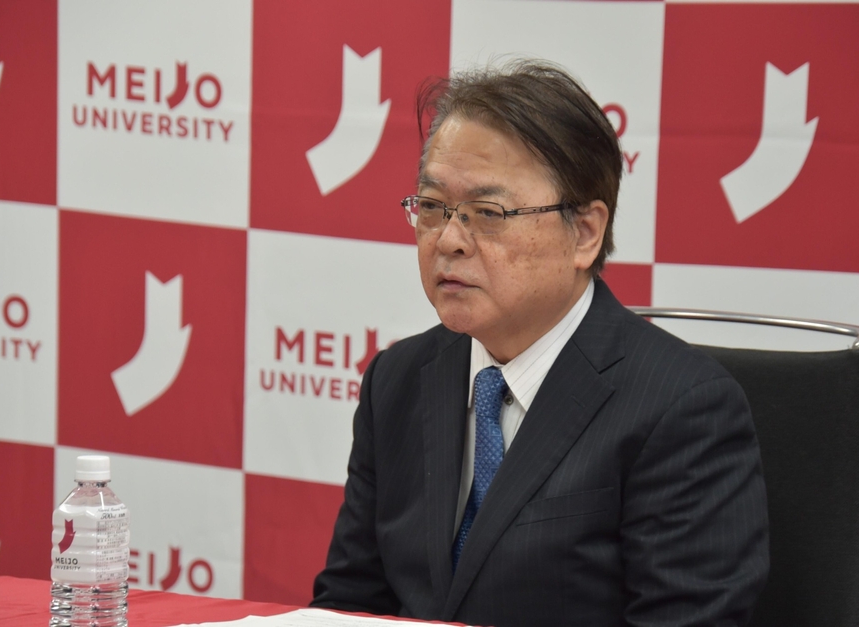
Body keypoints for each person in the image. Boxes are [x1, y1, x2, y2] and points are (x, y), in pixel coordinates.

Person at [310, 60, 769, 626]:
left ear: (585, 233)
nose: (449, 240)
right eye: (432, 207)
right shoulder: (398, 378)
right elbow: (350, 604)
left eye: (488, 213)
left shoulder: (681, 409)